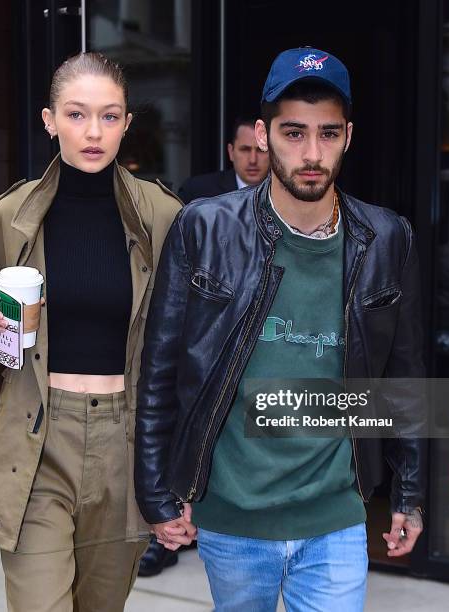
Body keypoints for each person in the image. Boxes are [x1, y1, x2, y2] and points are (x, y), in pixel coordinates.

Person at [135, 47, 426, 611]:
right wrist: (157, 491)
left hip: (337, 515)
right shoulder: (206, 227)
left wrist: (409, 494)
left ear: (349, 137)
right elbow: (161, 368)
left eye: (328, 134)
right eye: (293, 133)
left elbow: (404, 374)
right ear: (263, 135)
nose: (312, 154)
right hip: (233, 516)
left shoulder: (387, 238)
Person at [0, 52, 181, 612]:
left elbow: (185, 345)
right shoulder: (11, 216)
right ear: (49, 119)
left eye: (109, 116)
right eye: (77, 115)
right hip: (36, 440)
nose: (94, 132)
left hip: (125, 445)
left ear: (128, 123)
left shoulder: (164, 217)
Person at [139, 115, 270, 579]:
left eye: (260, 152)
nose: (254, 159)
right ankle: (170, 535)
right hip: (206, 325)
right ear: (233, 152)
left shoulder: (289, 202)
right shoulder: (199, 194)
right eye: (245, 151)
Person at [178, 117, 269, 204]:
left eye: (261, 150)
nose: (253, 160)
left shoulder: (282, 195)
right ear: (231, 152)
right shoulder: (196, 192)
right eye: (245, 149)